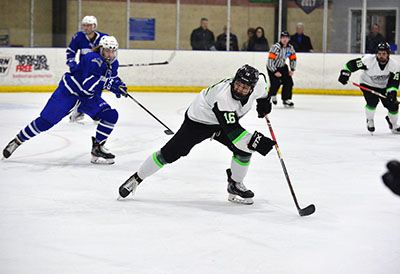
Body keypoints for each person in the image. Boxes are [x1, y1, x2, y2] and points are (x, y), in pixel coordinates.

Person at [118, 65, 276, 205]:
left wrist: (265, 100)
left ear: (252, 88)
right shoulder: (223, 97)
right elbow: (235, 134)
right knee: (170, 153)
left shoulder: (259, 84)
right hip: (198, 121)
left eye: (245, 87)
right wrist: (258, 143)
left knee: (244, 151)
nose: (239, 89)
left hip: (223, 122)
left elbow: (264, 87)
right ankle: (137, 178)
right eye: (238, 84)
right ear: (234, 80)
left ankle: (235, 185)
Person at [2, 36, 127, 165]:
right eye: (107, 51)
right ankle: (17, 140)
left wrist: (119, 85)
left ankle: (97, 148)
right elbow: (88, 84)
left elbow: (112, 78)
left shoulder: (113, 63)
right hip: (69, 92)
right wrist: (110, 85)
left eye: (113, 51)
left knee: (110, 115)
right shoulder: (93, 58)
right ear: (101, 49)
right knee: (46, 122)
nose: (110, 54)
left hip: (87, 97)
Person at [338, 42, 400, 134]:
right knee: (372, 102)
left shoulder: (394, 65)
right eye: (379, 54)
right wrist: (345, 72)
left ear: (388, 54)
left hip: (384, 87)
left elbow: (394, 81)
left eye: (384, 54)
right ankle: (370, 120)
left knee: (393, 105)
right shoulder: (368, 60)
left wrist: (392, 92)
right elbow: (353, 64)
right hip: (367, 84)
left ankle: (394, 124)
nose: (381, 56)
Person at [66, 16, 108, 122]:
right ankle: (79, 111)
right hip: (83, 71)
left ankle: (96, 113)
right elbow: (70, 51)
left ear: (94, 26)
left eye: (88, 25)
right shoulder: (78, 37)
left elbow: (109, 54)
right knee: (84, 91)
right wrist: (72, 65)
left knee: (97, 90)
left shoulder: (104, 38)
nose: (86, 28)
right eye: (84, 25)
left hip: (97, 70)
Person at [267, 31, 297, 108]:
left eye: (286, 38)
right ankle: (272, 95)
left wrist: (292, 69)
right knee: (276, 83)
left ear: (289, 39)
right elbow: (270, 61)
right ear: (280, 39)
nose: (284, 39)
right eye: (283, 38)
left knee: (289, 82)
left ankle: (286, 99)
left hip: (283, 67)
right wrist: (274, 71)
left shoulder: (290, 48)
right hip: (272, 67)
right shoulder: (276, 47)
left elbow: (293, 58)